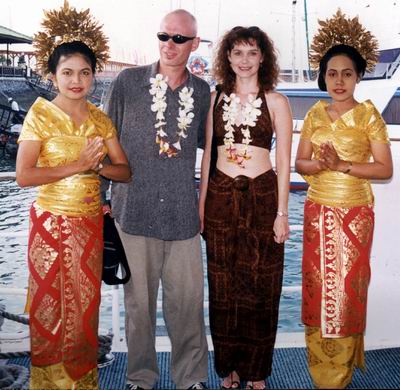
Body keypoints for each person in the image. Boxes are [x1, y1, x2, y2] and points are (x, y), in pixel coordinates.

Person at [16, 37, 131, 390]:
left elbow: (125, 170)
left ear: (94, 76)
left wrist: (98, 168)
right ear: (53, 76)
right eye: (67, 72)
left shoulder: (100, 118)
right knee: (50, 310)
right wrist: (78, 164)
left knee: (84, 307)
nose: (76, 80)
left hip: (88, 226)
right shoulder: (40, 113)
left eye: (84, 72)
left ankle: (83, 384)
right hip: (50, 224)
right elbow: (24, 176)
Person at [104, 9, 210, 390]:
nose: (170, 45)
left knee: (187, 307)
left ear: (194, 44)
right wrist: (100, 200)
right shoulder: (128, 82)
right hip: (133, 212)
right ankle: (140, 378)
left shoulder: (202, 92)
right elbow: (104, 140)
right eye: (164, 36)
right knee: (139, 308)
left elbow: (212, 148)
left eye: (180, 39)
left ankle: (192, 378)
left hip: (183, 217)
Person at [199, 26, 293, 390]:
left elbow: (284, 161)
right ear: (227, 58)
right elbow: (208, 154)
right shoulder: (215, 98)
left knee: (261, 285)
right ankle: (229, 369)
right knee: (222, 285)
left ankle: (256, 370)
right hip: (221, 196)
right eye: (237, 53)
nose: (244, 60)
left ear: (263, 58)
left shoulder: (277, 101)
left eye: (251, 52)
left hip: (263, 196)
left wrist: (282, 213)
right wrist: (202, 207)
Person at [295, 44, 393, 389]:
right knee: (317, 290)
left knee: (347, 294)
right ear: (324, 77)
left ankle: (339, 377)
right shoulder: (314, 114)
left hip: (354, 217)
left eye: (347, 74)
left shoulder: (368, 116)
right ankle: (320, 373)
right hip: (317, 213)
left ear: (358, 77)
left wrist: (341, 166)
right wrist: (319, 165)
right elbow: (300, 163)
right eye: (332, 73)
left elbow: (384, 169)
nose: (339, 81)